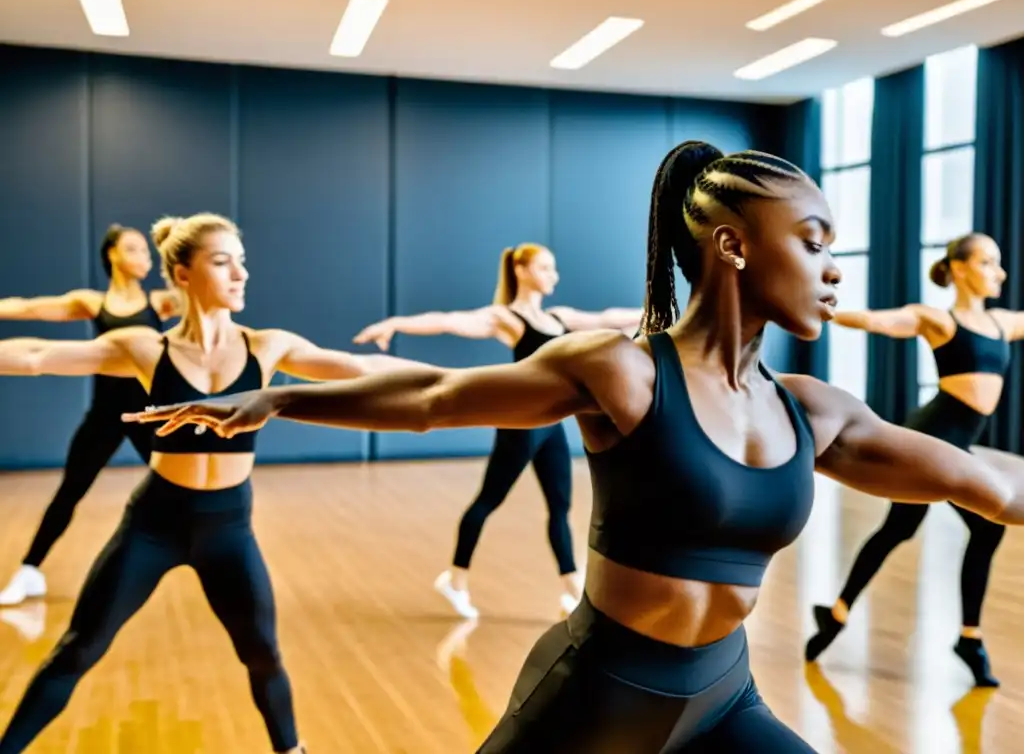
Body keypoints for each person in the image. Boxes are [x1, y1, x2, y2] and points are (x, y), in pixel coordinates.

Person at [125, 143, 1024, 753]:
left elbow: (983, 481)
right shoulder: (625, 374)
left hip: (723, 703)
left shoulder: (814, 413)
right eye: (814, 242)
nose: (834, 269)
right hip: (594, 698)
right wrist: (281, 398)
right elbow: (436, 399)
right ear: (732, 245)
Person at [0, 213, 429, 754]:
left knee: (263, 653)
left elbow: (356, 367)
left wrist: (468, 382)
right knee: (78, 649)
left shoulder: (266, 347)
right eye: (223, 262)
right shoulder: (144, 349)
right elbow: (36, 357)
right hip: (154, 524)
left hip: (229, 528)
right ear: (182, 275)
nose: (241, 274)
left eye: (242, 262)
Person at [353, 243, 642, 618]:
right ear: (521, 271)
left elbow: (607, 317)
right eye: (545, 268)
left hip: (551, 425)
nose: (553, 275)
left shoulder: (558, 318)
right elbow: (448, 320)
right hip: (520, 424)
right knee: (488, 501)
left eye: (554, 269)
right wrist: (395, 324)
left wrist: (660, 311)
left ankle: (572, 589)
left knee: (559, 507)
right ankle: (455, 579)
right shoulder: (506, 318)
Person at [804, 232, 1022, 687]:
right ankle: (965, 638)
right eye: (988, 262)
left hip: (956, 445)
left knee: (912, 530)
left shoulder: (1003, 322)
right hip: (929, 438)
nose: (998, 272)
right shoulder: (936, 319)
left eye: (998, 264)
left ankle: (840, 614)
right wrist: (819, 309)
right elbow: (879, 321)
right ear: (959, 268)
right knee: (921, 528)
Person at [0, 224, 181, 606]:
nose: (143, 257)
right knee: (70, 492)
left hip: (148, 415)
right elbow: (28, 307)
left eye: (147, 252)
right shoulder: (92, 302)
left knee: (183, 485)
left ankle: (211, 562)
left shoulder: (162, 302)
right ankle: (29, 571)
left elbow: (198, 296)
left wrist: (177, 245)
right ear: (112, 254)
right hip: (104, 415)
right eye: (133, 249)